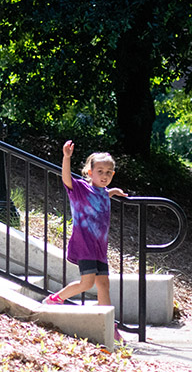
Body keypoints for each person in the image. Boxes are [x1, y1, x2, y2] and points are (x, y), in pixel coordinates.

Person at [42, 140, 128, 342]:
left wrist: (113, 192)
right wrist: (66, 157)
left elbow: (104, 193)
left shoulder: (103, 193)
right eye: (100, 171)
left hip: (99, 248)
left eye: (108, 172)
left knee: (104, 285)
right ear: (90, 173)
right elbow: (66, 179)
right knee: (87, 283)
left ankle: (109, 325)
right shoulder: (80, 188)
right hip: (85, 245)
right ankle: (55, 299)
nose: (104, 175)